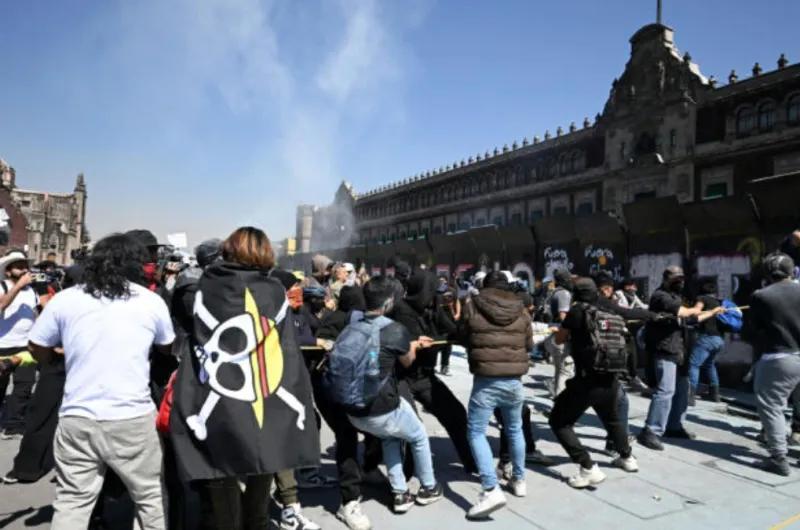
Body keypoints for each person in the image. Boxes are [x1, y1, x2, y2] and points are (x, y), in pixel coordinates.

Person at [169, 227, 320, 530]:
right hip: (262, 405)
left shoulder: (203, 288)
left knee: (220, 494)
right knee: (259, 492)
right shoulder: (274, 290)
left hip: (217, 405)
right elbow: (285, 349)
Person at [27, 234, 175, 529]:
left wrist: (57, 356)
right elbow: (166, 345)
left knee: (72, 501)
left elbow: (36, 345)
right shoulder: (149, 300)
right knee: (150, 497)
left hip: (77, 416)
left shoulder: (67, 299)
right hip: (132, 417)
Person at [344, 276, 444, 514]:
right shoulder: (395, 330)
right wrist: (412, 345)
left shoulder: (352, 325)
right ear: (389, 302)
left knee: (391, 438)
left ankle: (400, 493)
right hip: (382, 407)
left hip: (353, 409)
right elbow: (407, 362)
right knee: (418, 435)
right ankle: (429, 487)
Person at [548, 278, 639, 489]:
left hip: (587, 380)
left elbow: (559, 340)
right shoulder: (608, 312)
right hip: (610, 377)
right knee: (612, 419)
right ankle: (627, 458)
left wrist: (559, 331)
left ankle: (587, 467)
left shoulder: (577, 311)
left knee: (559, 421)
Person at [459, 271, 532, 518]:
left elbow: (463, 335)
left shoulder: (472, 304)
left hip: (486, 379)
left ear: (484, 285)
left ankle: (490, 487)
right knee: (514, 429)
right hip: (514, 380)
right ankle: (519, 481)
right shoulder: (522, 309)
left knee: (476, 432)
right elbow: (529, 344)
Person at [391, 269, 477, 474]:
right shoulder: (402, 310)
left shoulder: (433, 307)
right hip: (401, 377)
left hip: (424, 376)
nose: (436, 297)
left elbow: (451, 329)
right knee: (412, 426)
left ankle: (472, 463)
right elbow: (413, 339)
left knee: (456, 414)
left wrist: (469, 331)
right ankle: (406, 473)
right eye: (432, 291)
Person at [637, 266, 723, 451]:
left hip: (680, 350)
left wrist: (712, 312)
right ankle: (650, 431)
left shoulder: (677, 298)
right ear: (667, 278)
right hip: (665, 349)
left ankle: (674, 426)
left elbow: (691, 319)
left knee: (682, 390)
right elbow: (683, 313)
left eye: (682, 279)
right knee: (665, 391)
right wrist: (698, 307)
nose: (681, 282)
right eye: (677, 279)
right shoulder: (661, 296)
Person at [751, 253, 800, 476]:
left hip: (780, 358)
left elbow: (755, 329)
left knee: (772, 407)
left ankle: (778, 457)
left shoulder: (762, 295)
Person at [0, 250, 40, 439]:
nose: (24, 270)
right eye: (18, 267)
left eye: (25, 266)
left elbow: (37, 314)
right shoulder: (2, 286)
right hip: (3, 346)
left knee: (23, 387)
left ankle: (13, 425)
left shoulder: (31, 291)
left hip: (26, 347)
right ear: (8, 272)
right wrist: (17, 288)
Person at [689, 281, 725, 404]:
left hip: (707, 337)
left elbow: (696, 311)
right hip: (718, 339)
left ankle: (690, 396)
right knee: (710, 364)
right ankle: (715, 395)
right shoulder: (719, 303)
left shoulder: (702, 298)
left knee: (694, 364)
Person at [544, 268, 575, 397]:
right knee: (565, 372)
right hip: (560, 335)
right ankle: (559, 405)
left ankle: (556, 399)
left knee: (560, 370)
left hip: (553, 334)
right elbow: (563, 316)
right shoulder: (564, 294)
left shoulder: (554, 292)